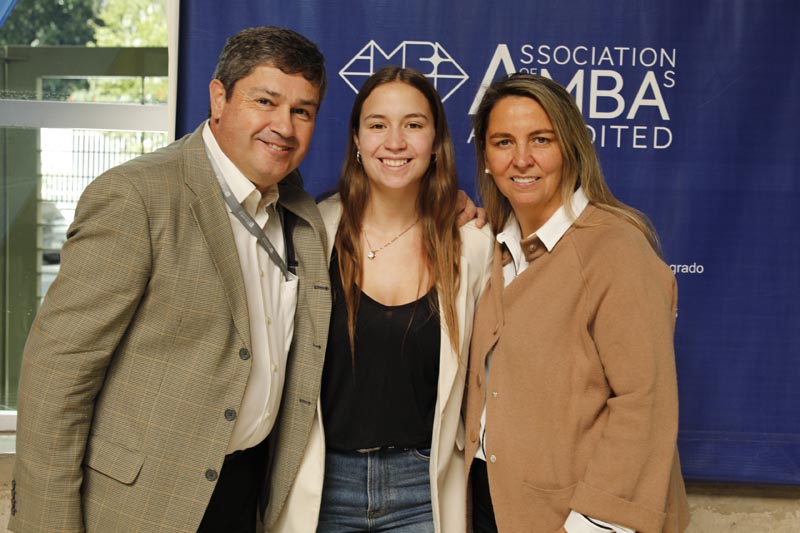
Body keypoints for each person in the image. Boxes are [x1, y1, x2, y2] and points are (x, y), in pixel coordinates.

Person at [9, 26, 332, 533]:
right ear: (219, 98)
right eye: (265, 101)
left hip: (244, 495)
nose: (284, 126)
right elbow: (57, 379)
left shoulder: (298, 212)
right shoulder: (137, 197)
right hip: (140, 506)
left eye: (302, 111)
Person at [463, 73, 690, 533]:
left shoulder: (616, 249)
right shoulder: (492, 249)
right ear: (485, 158)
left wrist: (592, 524)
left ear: (570, 147)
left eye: (540, 139)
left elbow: (644, 403)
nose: (521, 159)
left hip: (579, 517)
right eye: (503, 142)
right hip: (492, 501)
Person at [270, 66, 494, 532]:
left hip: (422, 491)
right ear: (357, 139)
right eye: (377, 125)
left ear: (435, 142)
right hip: (322, 486)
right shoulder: (311, 233)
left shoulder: (472, 245)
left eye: (413, 124)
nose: (395, 142)